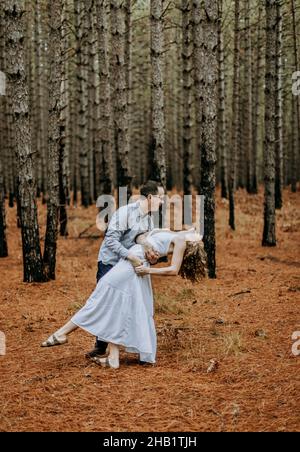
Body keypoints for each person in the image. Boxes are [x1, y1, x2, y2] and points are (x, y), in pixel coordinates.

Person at [41, 228, 207, 369]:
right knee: (117, 305)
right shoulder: (175, 233)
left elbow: (173, 270)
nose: (195, 231)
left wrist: (147, 270)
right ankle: (113, 357)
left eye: (197, 235)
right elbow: (142, 236)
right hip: (132, 261)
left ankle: (62, 333)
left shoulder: (181, 241)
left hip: (135, 266)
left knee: (102, 294)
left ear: (193, 243)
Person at [88, 180, 165, 359]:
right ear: (151, 197)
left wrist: (152, 259)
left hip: (129, 267)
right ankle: (100, 347)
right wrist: (130, 257)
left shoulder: (149, 222)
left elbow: (146, 249)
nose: (162, 202)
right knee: (106, 303)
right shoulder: (125, 213)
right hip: (110, 262)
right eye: (160, 198)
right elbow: (110, 241)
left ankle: (129, 344)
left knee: (129, 303)